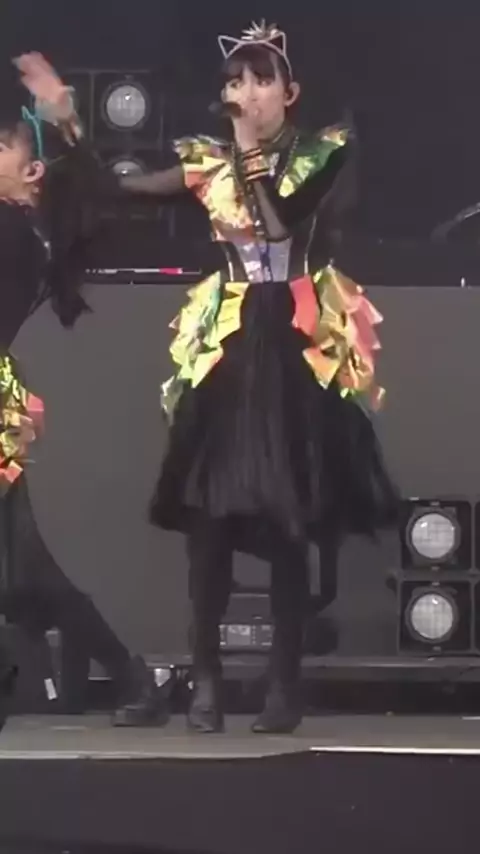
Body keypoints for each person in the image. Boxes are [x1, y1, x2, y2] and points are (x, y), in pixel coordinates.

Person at [19, 25, 398, 735]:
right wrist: (68, 125)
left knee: (288, 520)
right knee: (209, 520)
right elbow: (114, 191)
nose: (244, 93)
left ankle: (283, 682)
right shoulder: (207, 166)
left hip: (293, 346)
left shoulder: (324, 154)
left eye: (259, 81)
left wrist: (250, 151)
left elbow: (279, 226)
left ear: (289, 93)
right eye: (234, 82)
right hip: (228, 347)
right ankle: (208, 678)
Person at [0, 56, 168, 727]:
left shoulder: (20, 232)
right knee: (24, 568)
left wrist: (67, 127)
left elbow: (98, 197)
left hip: (9, 408)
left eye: (2, 148)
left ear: (32, 173)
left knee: (31, 566)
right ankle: (124, 676)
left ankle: (132, 675)